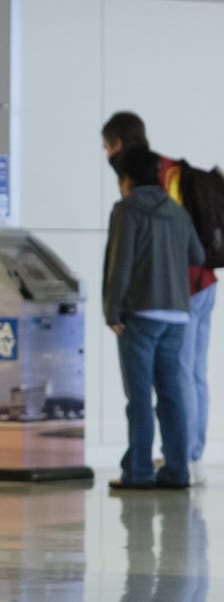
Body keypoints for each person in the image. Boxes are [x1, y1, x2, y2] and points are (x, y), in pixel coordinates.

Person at [102, 112, 217, 485]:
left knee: (139, 399)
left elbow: (120, 266)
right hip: (178, 315)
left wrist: (112, 311)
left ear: (128, 179)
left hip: (140, 315)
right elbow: (199, 258)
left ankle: (137, 471)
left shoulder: (126, 210)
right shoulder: (177, 211)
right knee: (173, 394)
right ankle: (178, 470)